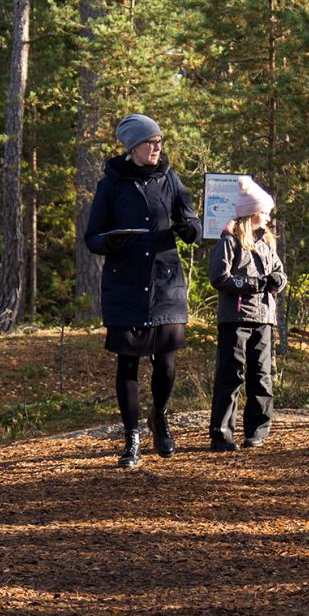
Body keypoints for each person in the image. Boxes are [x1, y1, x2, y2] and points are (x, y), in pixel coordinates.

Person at [85, 113, 202, 468]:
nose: (157, 147)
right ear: (133, 146)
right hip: (126, 284)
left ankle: (160, 417)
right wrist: (113, 241)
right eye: (151, 142)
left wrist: (188, 229)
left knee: (166, 363)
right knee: (128, 364)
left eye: (159, 142)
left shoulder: (170, 179)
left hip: (166, 284)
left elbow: (194, 222)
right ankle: (131, 439)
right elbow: (93, 238)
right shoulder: (111, 185)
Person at [208, 176, 287, 451]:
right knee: (231, 375)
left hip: (264, 318)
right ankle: (221, 434)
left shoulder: (267, 242)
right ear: (251, 213)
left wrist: (278, 279)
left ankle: (257, 431)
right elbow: (218, 276)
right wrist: (249, 284)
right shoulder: (229, 240)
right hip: (236, 318)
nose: (267, 218)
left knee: (261, 376)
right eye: (264, 212)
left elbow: (279, 273)